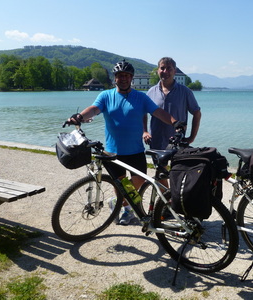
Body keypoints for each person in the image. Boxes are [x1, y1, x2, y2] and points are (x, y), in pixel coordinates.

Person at [67, 60, 180, 225]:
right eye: (120, 76)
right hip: (113, 151)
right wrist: (79, 117)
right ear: (115, 78)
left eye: (127, 75)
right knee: (119, 183)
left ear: (131, 78)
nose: (124, 78)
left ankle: (118, 202)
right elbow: (94, 109)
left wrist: (175, 123)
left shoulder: (140, 97)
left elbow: (158, 112)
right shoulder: (106, 96)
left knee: (138, 181)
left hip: (135, 151)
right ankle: (126, 210)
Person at [143, 57, 201, 150]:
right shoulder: (151, 92)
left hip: (177, 143)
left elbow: (197, 113)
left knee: (177, 165)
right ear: (158, 71)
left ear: (174, 71)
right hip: (155, 141)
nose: (165, 71)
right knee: (159, 165)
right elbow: (143, 112)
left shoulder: (185, 92)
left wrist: (191, 138)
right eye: (162, 68)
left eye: (169, 68)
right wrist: (145, 131)